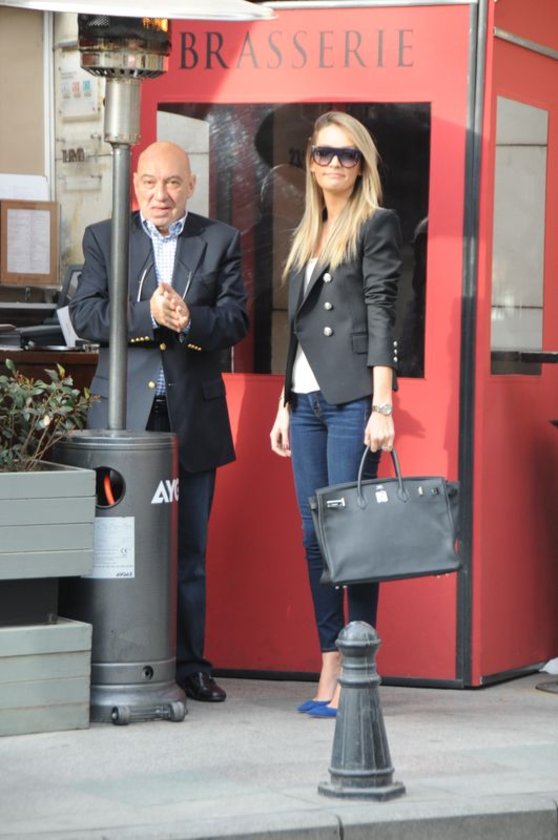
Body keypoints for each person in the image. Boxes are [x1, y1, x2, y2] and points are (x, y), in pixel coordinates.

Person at [70, 141, 248, 703]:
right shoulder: (105, 237)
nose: (160, 194)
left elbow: (237, 320)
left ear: (191, 185)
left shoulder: (220, 240)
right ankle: (109, 659)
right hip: (123, 418)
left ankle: (191, 665)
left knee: (189, 552)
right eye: (149, 182)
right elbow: (86, 316)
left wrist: (191, 320)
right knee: (117, 547)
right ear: (135, 185)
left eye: (172, 182)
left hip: (192, 417)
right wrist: (146, 315)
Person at [270, 111, 402, 718]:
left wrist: (383, 405)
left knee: (352, 537)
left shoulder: (375, 223)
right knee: (313, 536)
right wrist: (284, 403)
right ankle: (328, 658)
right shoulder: (308, 230)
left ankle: (356, 665)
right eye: (324, 153)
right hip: (306, 403)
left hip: (352, 400)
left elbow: (381, 313)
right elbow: (297, 328)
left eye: (347, 155)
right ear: (310, 160)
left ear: (362, 164)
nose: (334, 164)